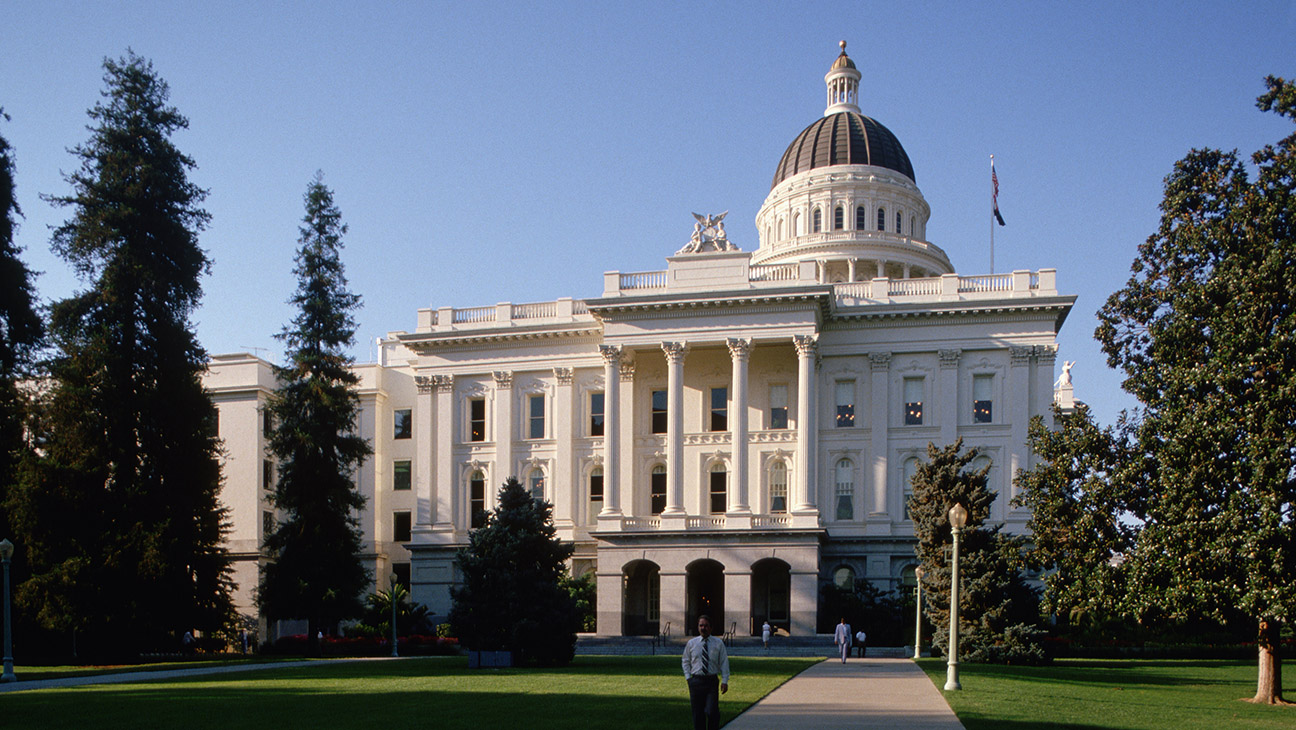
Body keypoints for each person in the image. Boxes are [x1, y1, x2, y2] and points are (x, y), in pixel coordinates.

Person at [682, 615, 729, 730]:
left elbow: (724, 662)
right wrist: (688, 678)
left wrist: (725, 680)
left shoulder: (718, 643)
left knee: (711, 711)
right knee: (698, 715)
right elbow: (685, 661)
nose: (703, 628)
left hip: (711, 681)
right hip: (696, 681)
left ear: (711, 628)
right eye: (701, 625)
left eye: (706, 626)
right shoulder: (691, 643)